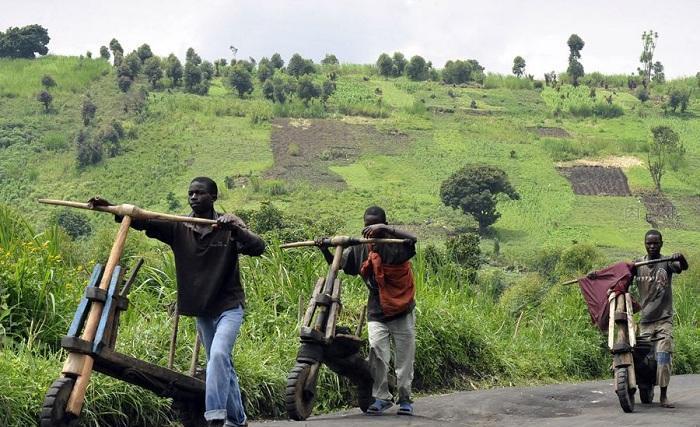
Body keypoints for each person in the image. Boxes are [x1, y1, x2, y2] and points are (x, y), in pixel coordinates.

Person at [91, 177, 265, 427]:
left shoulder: (229, 226)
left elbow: (258, 246)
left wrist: (237, 230)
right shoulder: (179, 227)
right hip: (202, 310)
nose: (193, 197)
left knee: (217, 356)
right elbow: (144, 220)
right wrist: (113, 208)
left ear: (213, 198)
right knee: (221, 361)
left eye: (200, 193)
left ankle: (215, 416)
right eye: (190, 193)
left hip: (229, 306)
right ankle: (238, 420)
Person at [317, 206, 418, 416]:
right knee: (377, 353)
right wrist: (324, 248)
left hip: (402, 309)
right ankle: (381, 397)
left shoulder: (396, 244)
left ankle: (405, 399)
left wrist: (386, 230)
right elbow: (340, 263)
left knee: (404, 359)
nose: (370, 229)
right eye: (367, 225)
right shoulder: (360, 247)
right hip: (377, 310)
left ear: (384, 225)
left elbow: (413, 239)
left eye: (375, 225)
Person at [633, 229, 688, 408]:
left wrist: (680, 258)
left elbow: (683, 267)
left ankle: (663, 396)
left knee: (663, 356)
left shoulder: (666, 263)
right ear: (644, 244)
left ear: (661, 244)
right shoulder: (638, 264)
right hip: (645, 321)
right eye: (649, 243)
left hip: (664, 320)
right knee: (644, 359)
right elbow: (619, 276)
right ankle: (645, 386)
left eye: (656, 243)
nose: (652, 246)